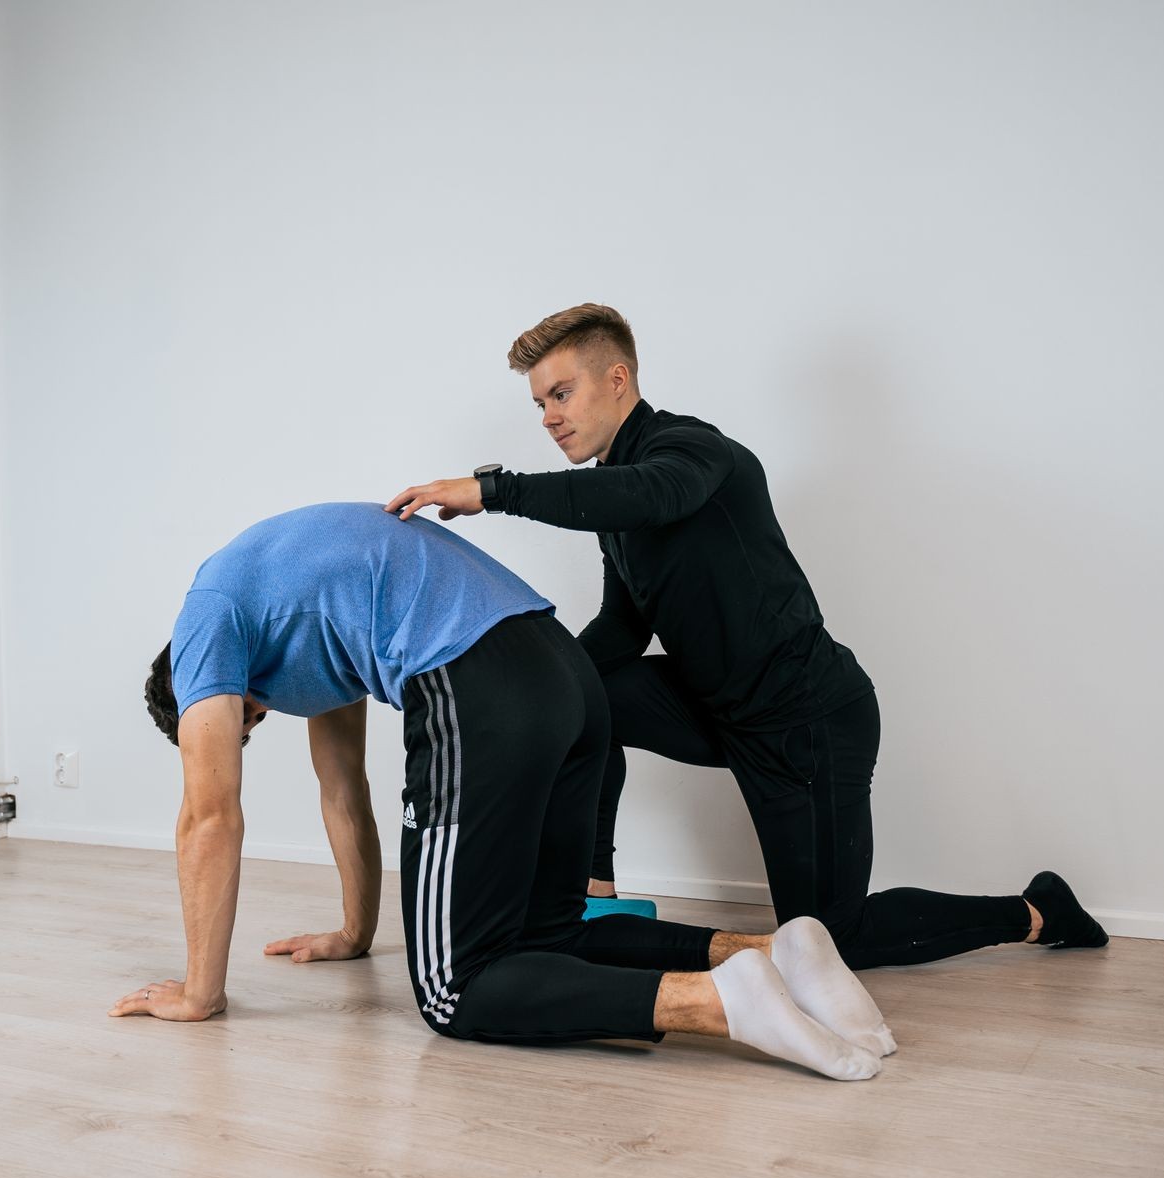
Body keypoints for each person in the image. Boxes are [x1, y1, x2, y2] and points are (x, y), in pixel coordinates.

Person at [385, 304, 1107, 969]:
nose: (547, 416)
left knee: (828, 940)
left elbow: (653, 494)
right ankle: (591, 887)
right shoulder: (613, 505)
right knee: (582, 689)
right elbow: (623, 627)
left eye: (561, 394)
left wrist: (495, 490)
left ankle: (1040, 911)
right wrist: (533, 682)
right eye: (539, 402)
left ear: (617, 378)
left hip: (807, 723)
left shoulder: (694, 450)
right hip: (713, 709)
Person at [119, 502, 897, 1080]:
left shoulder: (205, 626)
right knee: (547, 932)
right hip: (564, 674)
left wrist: (200, 994)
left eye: (241, 724)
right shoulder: (296, 616)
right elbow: (342, 787)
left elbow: (210, 817)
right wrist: (354, 934)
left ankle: (717, 1004)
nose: (253, 724)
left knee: (456, 990)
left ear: (191, 690)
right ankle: (775, 952)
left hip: (477, 680)